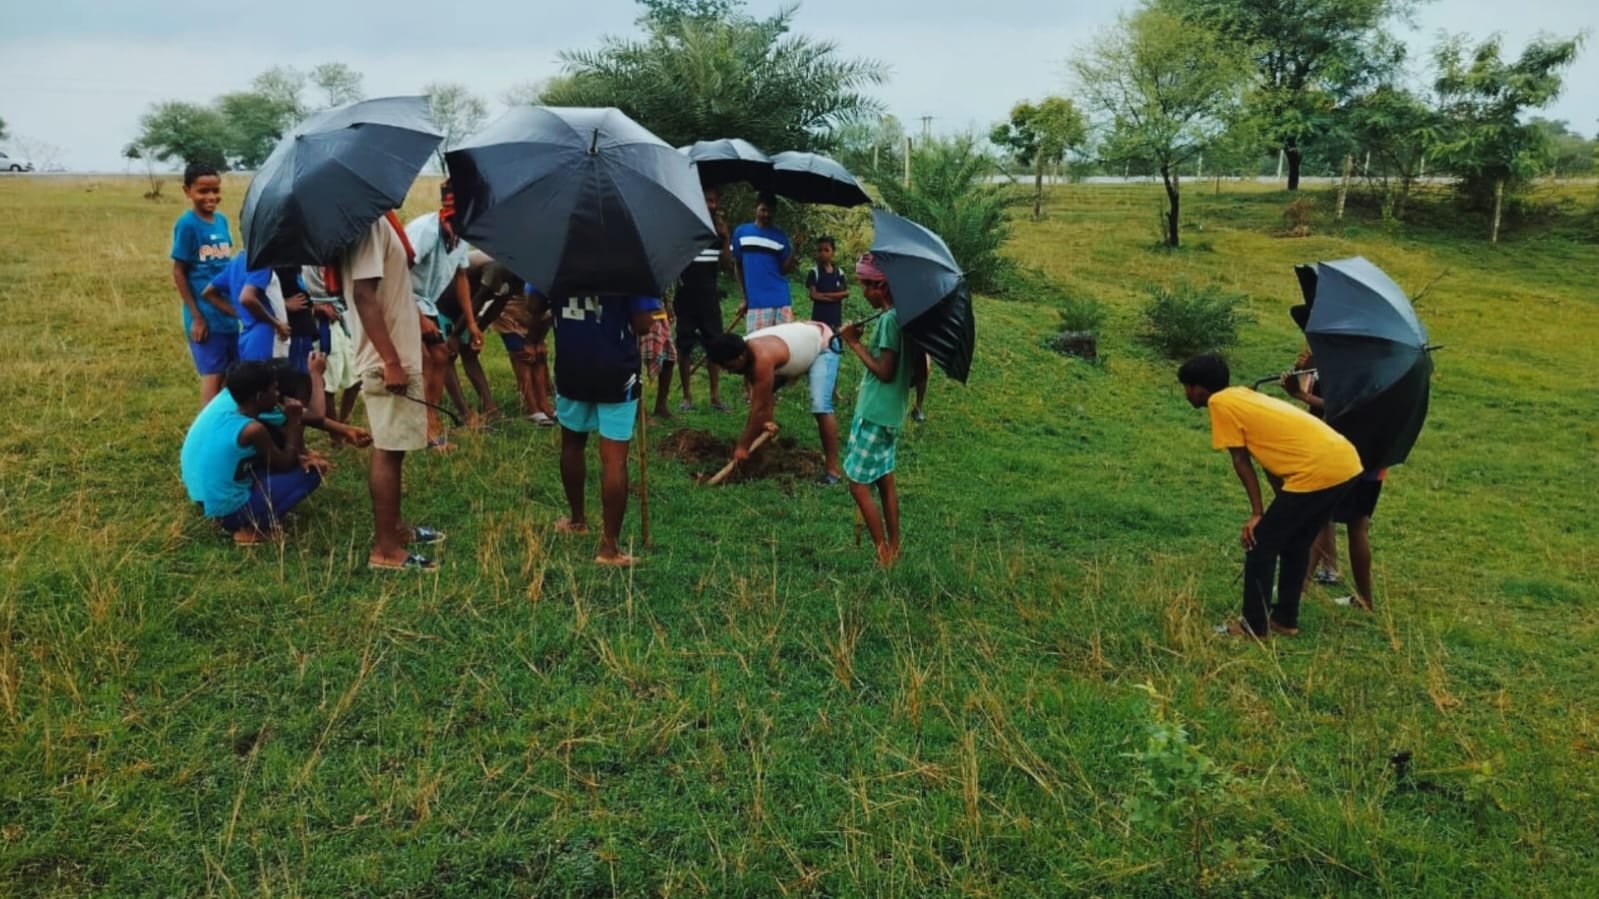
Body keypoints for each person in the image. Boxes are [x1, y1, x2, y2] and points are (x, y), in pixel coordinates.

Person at [1177, 353, 1363, 639]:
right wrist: (1279, 503)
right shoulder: (1242, 396)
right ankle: (1285, 620)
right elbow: (1269, 459)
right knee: (1295, 543)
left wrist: (1257, 514)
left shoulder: (1219, 403)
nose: (1186, 394)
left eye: (1186, 387)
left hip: (1318, 469)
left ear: (1198, 388)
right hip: (1345, 462)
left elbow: (1241, 461)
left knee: (1260, 542)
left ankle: (1253, 626)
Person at [337, 211, 444, 571]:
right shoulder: (367, 223)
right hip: (387, 358)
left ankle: (395, 529)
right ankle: (385, 549)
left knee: (395, 448)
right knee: (388, 448)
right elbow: (363, 295)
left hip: (396, 350)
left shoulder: (377, 221)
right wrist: (391, 361)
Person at [532, 291, 660, 566]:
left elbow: (533, 305)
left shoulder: (556, 255)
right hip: (617, 369)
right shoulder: (631, 262)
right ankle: (609, 548)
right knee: (614, 458)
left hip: (571, 364)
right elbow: (643, 324)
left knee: (572, 444)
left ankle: (577, 521)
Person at [180, 361, 326, 545]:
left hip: (204, 497)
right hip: (227, 511)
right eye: (274, 390)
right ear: (259, 396)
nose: (278, 394)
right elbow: (285, 463)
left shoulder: (229, 411)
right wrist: (294, 422)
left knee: (276, 462)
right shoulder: (252, 429)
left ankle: (242, 515)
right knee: (314, 471)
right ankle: (249, 529)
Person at [839, 254, 917, 567]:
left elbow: (884, 371)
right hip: (892, 412)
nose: (862, 291)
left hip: (874, 412)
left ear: (881, 286)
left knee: (858, 484)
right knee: (885, 479)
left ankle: (883, 551)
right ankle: (894, 547)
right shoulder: (906, 319)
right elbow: (914, 375)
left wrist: (853, 343)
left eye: (864, 285)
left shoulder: (888, 321)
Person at [705, 321, 843, 485]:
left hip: (823, 344)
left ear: (741, 357)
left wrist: (743, 446)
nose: (729, 371)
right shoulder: (742, 348)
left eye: (730, 366)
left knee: (820, 406)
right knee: (764, 394)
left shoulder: (762, 358)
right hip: (802, 342)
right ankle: (767, 447)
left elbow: (759, 408)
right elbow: (763, 398)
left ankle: (832, 470)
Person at [405, 181, 482, 450]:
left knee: (440, 357)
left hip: (425, 302)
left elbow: (461, 276)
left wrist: (472, 324)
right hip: (399, 298)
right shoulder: (425, 231)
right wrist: (418, 319)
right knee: (427, 360)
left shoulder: (459, 235)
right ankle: (426, 429)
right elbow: (395, 275)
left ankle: (430, 421)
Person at [170, 162, 238, 406]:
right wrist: (196, 316)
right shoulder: (187, 224)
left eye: (215, 190)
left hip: (227, 313)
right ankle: (207, 434)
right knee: (213, 374)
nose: (211, 197)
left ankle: (226, 426)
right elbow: (179, 272)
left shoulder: (221, 221)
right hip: (206, 317)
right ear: (188, 191)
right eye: (203, 191)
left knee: (232, 376)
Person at [1282, 348, 1340, 585]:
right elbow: (1303, 390)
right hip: (1317, 434)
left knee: (1320, 508)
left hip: (1334, 437)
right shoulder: (1319, 357)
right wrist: (1301, 369)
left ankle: (1304, 578)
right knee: (1325, 511)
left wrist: (1301, 395)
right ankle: (1330, 566)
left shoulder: (1341, 362)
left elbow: (1338, 404)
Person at [676, 186, 731, 412]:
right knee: (684, 346)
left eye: (713, 200)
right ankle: (687, 397)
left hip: (709, 297)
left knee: (715, 345)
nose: (710, 204)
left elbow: (727, 265)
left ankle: (715, 397)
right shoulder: (686, 225)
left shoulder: (719, 231)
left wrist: (725, 237)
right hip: (686, 296)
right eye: (706, 200)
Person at [732, 192, 800, 333]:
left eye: (771, 211)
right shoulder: (741, 232)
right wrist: (745, 298)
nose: (766, 214)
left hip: (781, 300)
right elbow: (737, 265)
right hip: (756, 302)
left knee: (782, 348)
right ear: (756, 208)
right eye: (763, 209)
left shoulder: (780, 236)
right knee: (757, 349)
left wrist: (796, 249)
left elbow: (784, 270)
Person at [641, 308, 676, 421]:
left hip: (658, 312)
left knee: (669, 357)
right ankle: (639, 411)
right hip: (639, 312)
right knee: (634, 362)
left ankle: (661, 406)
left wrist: (667, 305)